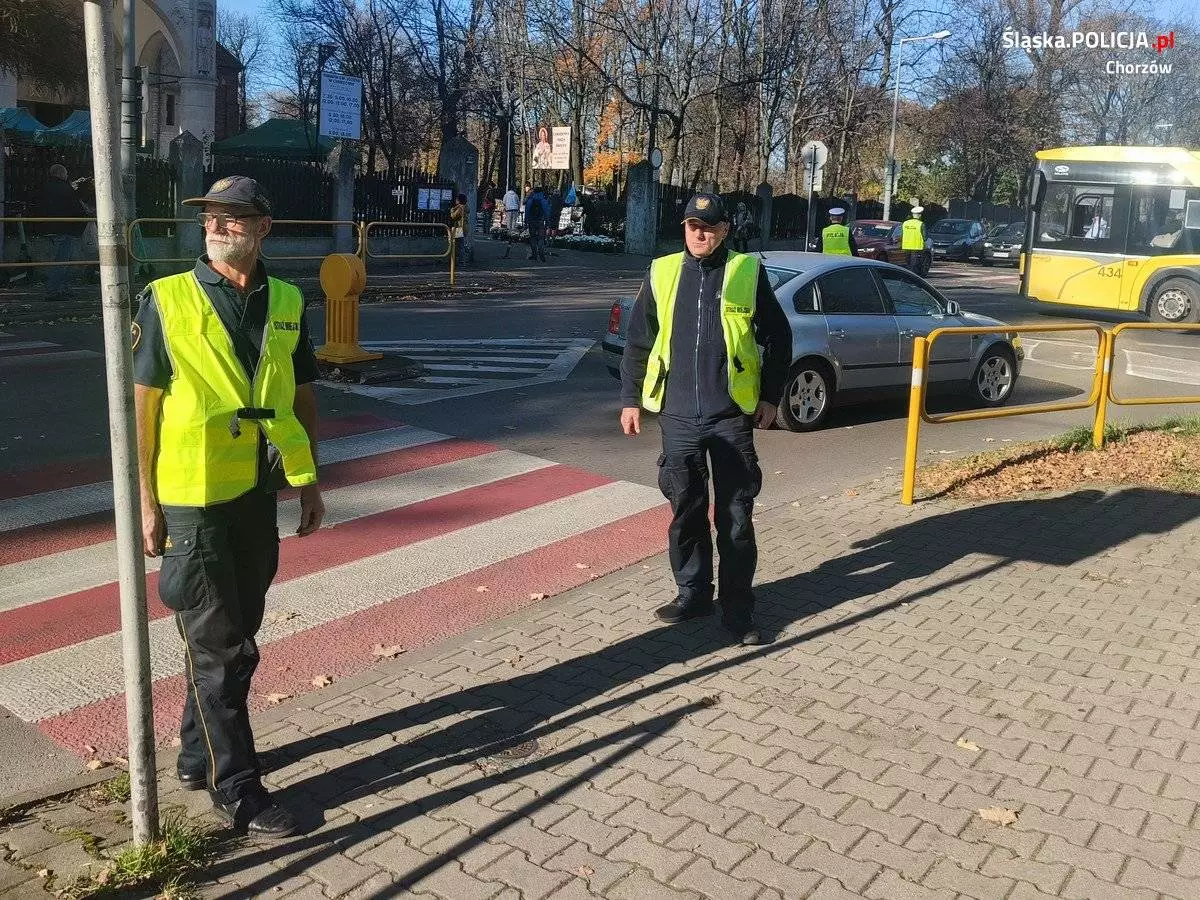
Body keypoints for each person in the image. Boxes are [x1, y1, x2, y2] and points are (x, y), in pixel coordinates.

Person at [132, 176, 325, 839]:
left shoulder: (290, 300)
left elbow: (300, 393)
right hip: (192, 502)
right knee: (223, 649)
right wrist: (147, 502)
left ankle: (196, 755)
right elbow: (143, 407)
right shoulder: (167, 299)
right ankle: (235, 789)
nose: (217, 225)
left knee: (235, 635)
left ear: (262, 227)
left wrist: (310, 480)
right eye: (211, 215)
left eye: (233, 217)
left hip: (254, 495)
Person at [619, 193, 791, 646]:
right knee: (686, 511)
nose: (701, 234)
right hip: (677, 417)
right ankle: (693, 594)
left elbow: (778, 335)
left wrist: (771, 397)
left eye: (710, 227)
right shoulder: (661, 271)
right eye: (694, 226)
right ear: (685, 228)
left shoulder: (746, 271)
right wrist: (630, 400)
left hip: (730, 415)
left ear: (725, 231)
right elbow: (639, 339)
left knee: (735, 518)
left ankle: (737, 611)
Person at [35, 164, 90, 300]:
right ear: (61, 174)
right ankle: (55, 290)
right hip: (65, 229)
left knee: (58, 260)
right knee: (62, 261)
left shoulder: (44, 187)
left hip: (50, 228)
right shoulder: (66, 189)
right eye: (66, 174)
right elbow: (76, 209)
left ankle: (60, 288)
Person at [524, 184, 550, 262]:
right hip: (540, 221)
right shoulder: (543, 200)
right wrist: (547, 221)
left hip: (531, 221)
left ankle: (534, 254)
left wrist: (526, 221)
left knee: (533, 238)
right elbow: (547, 212)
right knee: (541, 238)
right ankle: (541, 253)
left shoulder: (530, 200)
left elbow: (527, 211)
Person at [901, 205, 927, 272]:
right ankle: (913, 278)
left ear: (913, 215)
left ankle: (906, 276)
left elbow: (902, 234)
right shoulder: (921, 224)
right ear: (920, 215)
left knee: (907, 263)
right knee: (914, 264)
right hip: (917, 247)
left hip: (906, 246)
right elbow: (925, 237)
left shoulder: (905, 223)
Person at [502, 185, 521, 257]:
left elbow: (504, 202)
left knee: (509, 223)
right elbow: (518, 202)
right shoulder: (515, 195)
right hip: (515, 209)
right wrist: (518, 209)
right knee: (514, 223)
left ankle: (509, 236)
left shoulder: (506, 195)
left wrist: (506, 206)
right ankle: (513, 236)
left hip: (509, 209)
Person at [449, 193, 467, 265]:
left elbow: (453, 216)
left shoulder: (460, 208)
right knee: (460, 244)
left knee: (458, 245)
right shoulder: (465, 207)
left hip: (459, 228)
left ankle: (461, 261)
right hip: (463, 227)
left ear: (459, 200)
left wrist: (452, 210)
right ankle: (461, 260)